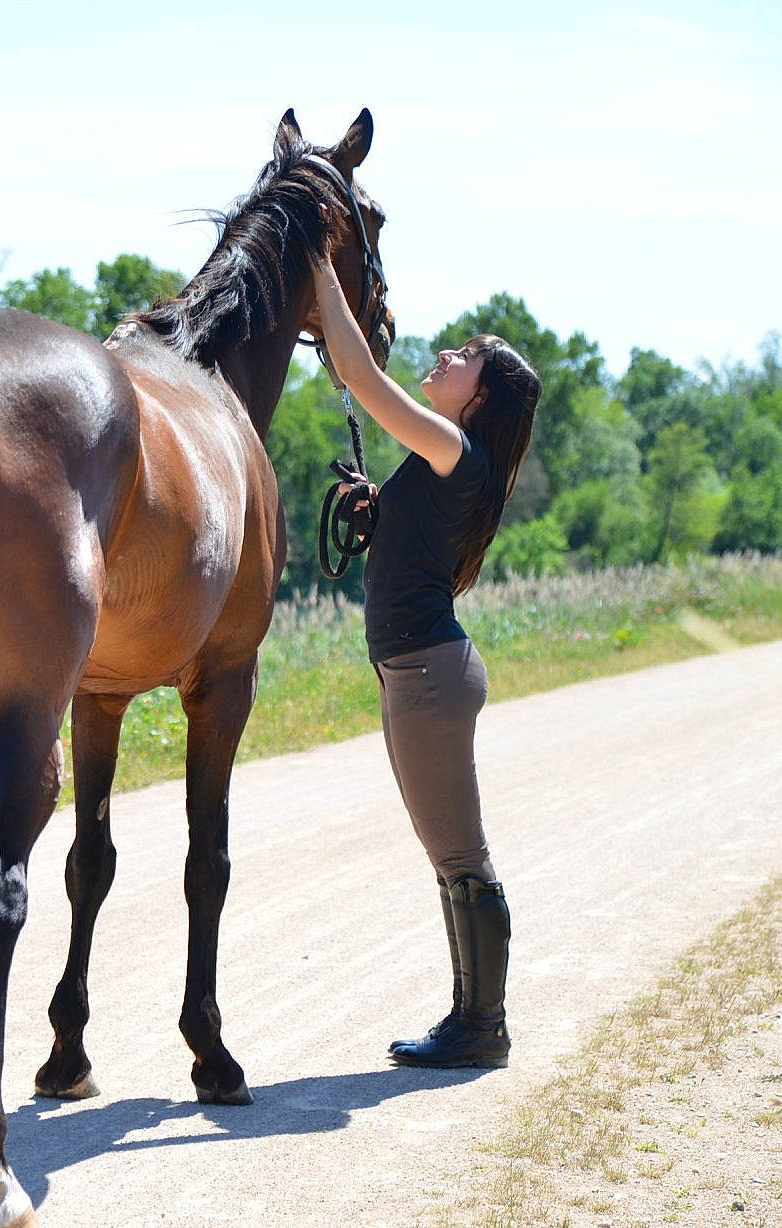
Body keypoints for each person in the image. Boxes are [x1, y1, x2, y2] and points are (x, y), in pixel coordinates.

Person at [306, 230, 542, 1069]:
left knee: (461, 855)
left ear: (481, 397)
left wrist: (323, 276)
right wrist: (382, 509)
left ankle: (481, 1028)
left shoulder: (455, 447)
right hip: (419, 674)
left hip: (429, 678)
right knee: (450, 855)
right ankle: (472, 1021)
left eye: (468, 356)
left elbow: (365, 380)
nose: (449, 354)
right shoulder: (448, 457)